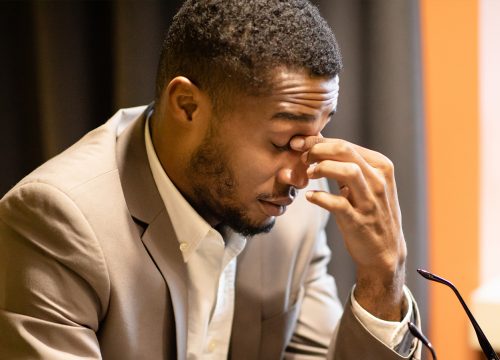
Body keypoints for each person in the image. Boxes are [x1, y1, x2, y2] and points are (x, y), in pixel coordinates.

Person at [0, 0, 422, 359]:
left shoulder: (297, 208)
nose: (301, 174)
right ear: (186, 105)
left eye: (312, 137)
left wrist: (383, 276)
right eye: (281, 142)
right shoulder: (58, 219)